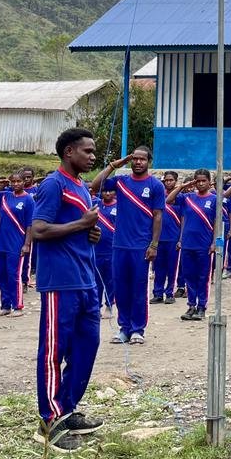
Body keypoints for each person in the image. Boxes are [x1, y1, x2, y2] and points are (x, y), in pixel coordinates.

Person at [30, 127, 104, 452]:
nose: (92, 156)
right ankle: (49, 421)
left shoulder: (81, 187)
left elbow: (77, 228)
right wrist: (81, 225)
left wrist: (90, 233)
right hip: (61, 281)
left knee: (87, 346)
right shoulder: (53, 184)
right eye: (87, 151)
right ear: (69, 151)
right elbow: (39, 229)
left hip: (86, 280)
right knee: (53, 351)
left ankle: (67, 408)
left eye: (94, 151)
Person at [89, 147, 163, 345]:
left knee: (138, 288)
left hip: (141, 246)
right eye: (134, 159)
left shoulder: (155, 185)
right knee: (121, 288)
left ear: (149, 162)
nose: (138, 162)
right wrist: (114, 165)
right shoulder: (121, 182)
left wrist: (154, 245)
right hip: (119, 245)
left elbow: (158, 216)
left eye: (142, 159)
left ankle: (138, 329)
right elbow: (95, 185)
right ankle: (124, 329)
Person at [176, 169, 218, 321]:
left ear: (209, 182)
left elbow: (217, 222)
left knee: (203, 277)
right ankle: (191, 305)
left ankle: (201, 307)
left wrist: (214, 242)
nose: (200, 183)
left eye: (203, 181)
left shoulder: (214, 199)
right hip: (187, 244)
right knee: (189, 276)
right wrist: (183, 186)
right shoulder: (187, 198)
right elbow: (168, 200)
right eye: (197, 181)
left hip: (204, 246)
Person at [0, 171, 34, 317]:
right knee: (1, 274)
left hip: (16, 243)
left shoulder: (28, 200)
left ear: (23, 182)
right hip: (1, 243)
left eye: (18, 181)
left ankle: (17, 306)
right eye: (13, 181)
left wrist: (27, 244)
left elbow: (30, 225)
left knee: (13, 275)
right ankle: (5, 306)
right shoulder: (5, 195)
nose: (16, 184)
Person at [152, 171, 183, 305]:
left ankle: (170, 293)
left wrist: (181, 239)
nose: (168, 182)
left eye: (171, 180)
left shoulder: (180, 197)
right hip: (159, 238)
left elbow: (183, 219)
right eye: (166, 180)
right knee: (158, 268)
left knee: (172, 268)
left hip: (173, 238)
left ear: (176, 181)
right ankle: (158, 293)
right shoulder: (158, 195)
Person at [92, 185, 117, 318]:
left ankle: (109, 305)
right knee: (96, 280)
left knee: (110, 280)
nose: (107, 193)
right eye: (105, 191)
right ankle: (96, 307)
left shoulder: (119, 206)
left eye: (110, 190)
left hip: (112, 249)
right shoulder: (95, 205)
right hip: (96, 249)